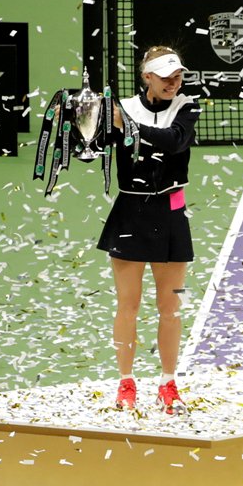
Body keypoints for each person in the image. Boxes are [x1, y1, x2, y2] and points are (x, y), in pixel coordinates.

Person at [97, 45, 201, 414]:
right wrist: (82, 126)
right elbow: (97, 148)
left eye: (178, 76)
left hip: (172, 213)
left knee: (170, 308)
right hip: (130, 212)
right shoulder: (121, 109)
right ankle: (126, 383)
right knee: (128, 305)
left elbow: (175, 141)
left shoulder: (188, 106)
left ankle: (168, 384)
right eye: (165, 76)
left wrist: (128, 127)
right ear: (147, 77)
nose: (174, 82)